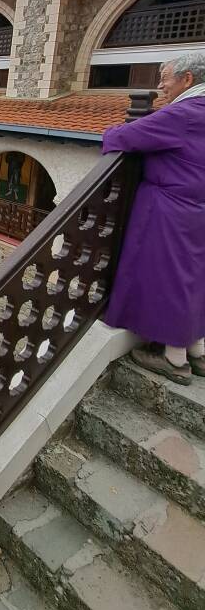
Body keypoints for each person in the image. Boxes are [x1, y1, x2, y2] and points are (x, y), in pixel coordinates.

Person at [101, 53, 205, 385]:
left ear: (187, 79)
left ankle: (174, 358)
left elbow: (124, 136)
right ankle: (197, 349)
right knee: (193, 277)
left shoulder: (184, 113)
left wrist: (110, 132)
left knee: (170, 278)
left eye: (165, 77)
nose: (160, 85)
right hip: (197, 207)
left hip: (171, 208)